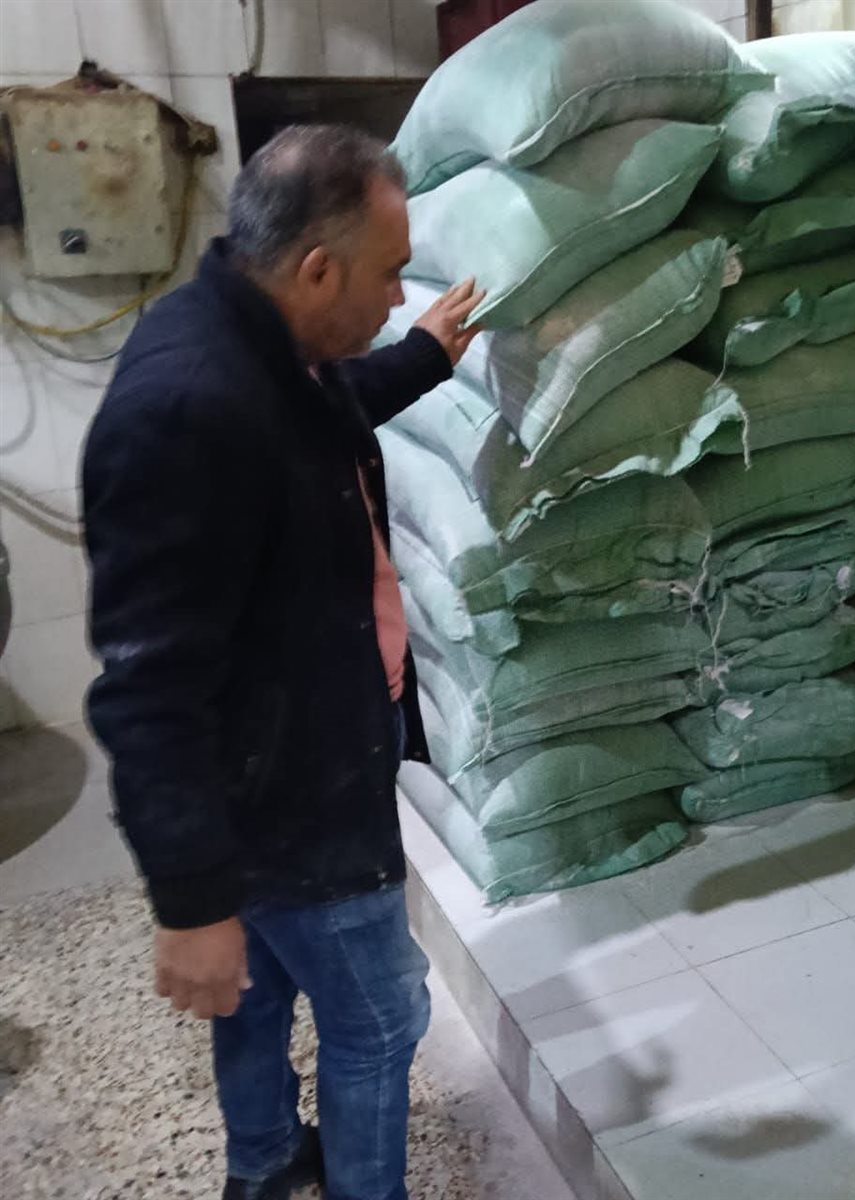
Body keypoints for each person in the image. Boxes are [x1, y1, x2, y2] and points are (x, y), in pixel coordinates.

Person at [83, 124, 484, 1200]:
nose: (398, 298)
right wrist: (191, 903)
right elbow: (148, 689)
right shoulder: (190, 406)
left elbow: (317, 423)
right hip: (294, 795)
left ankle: (261, 1164)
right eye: (390, 274)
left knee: (258, 991)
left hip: (273, 769)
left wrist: (426, 355)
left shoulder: (258, 343)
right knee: (381, 1015)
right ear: (317, 269)